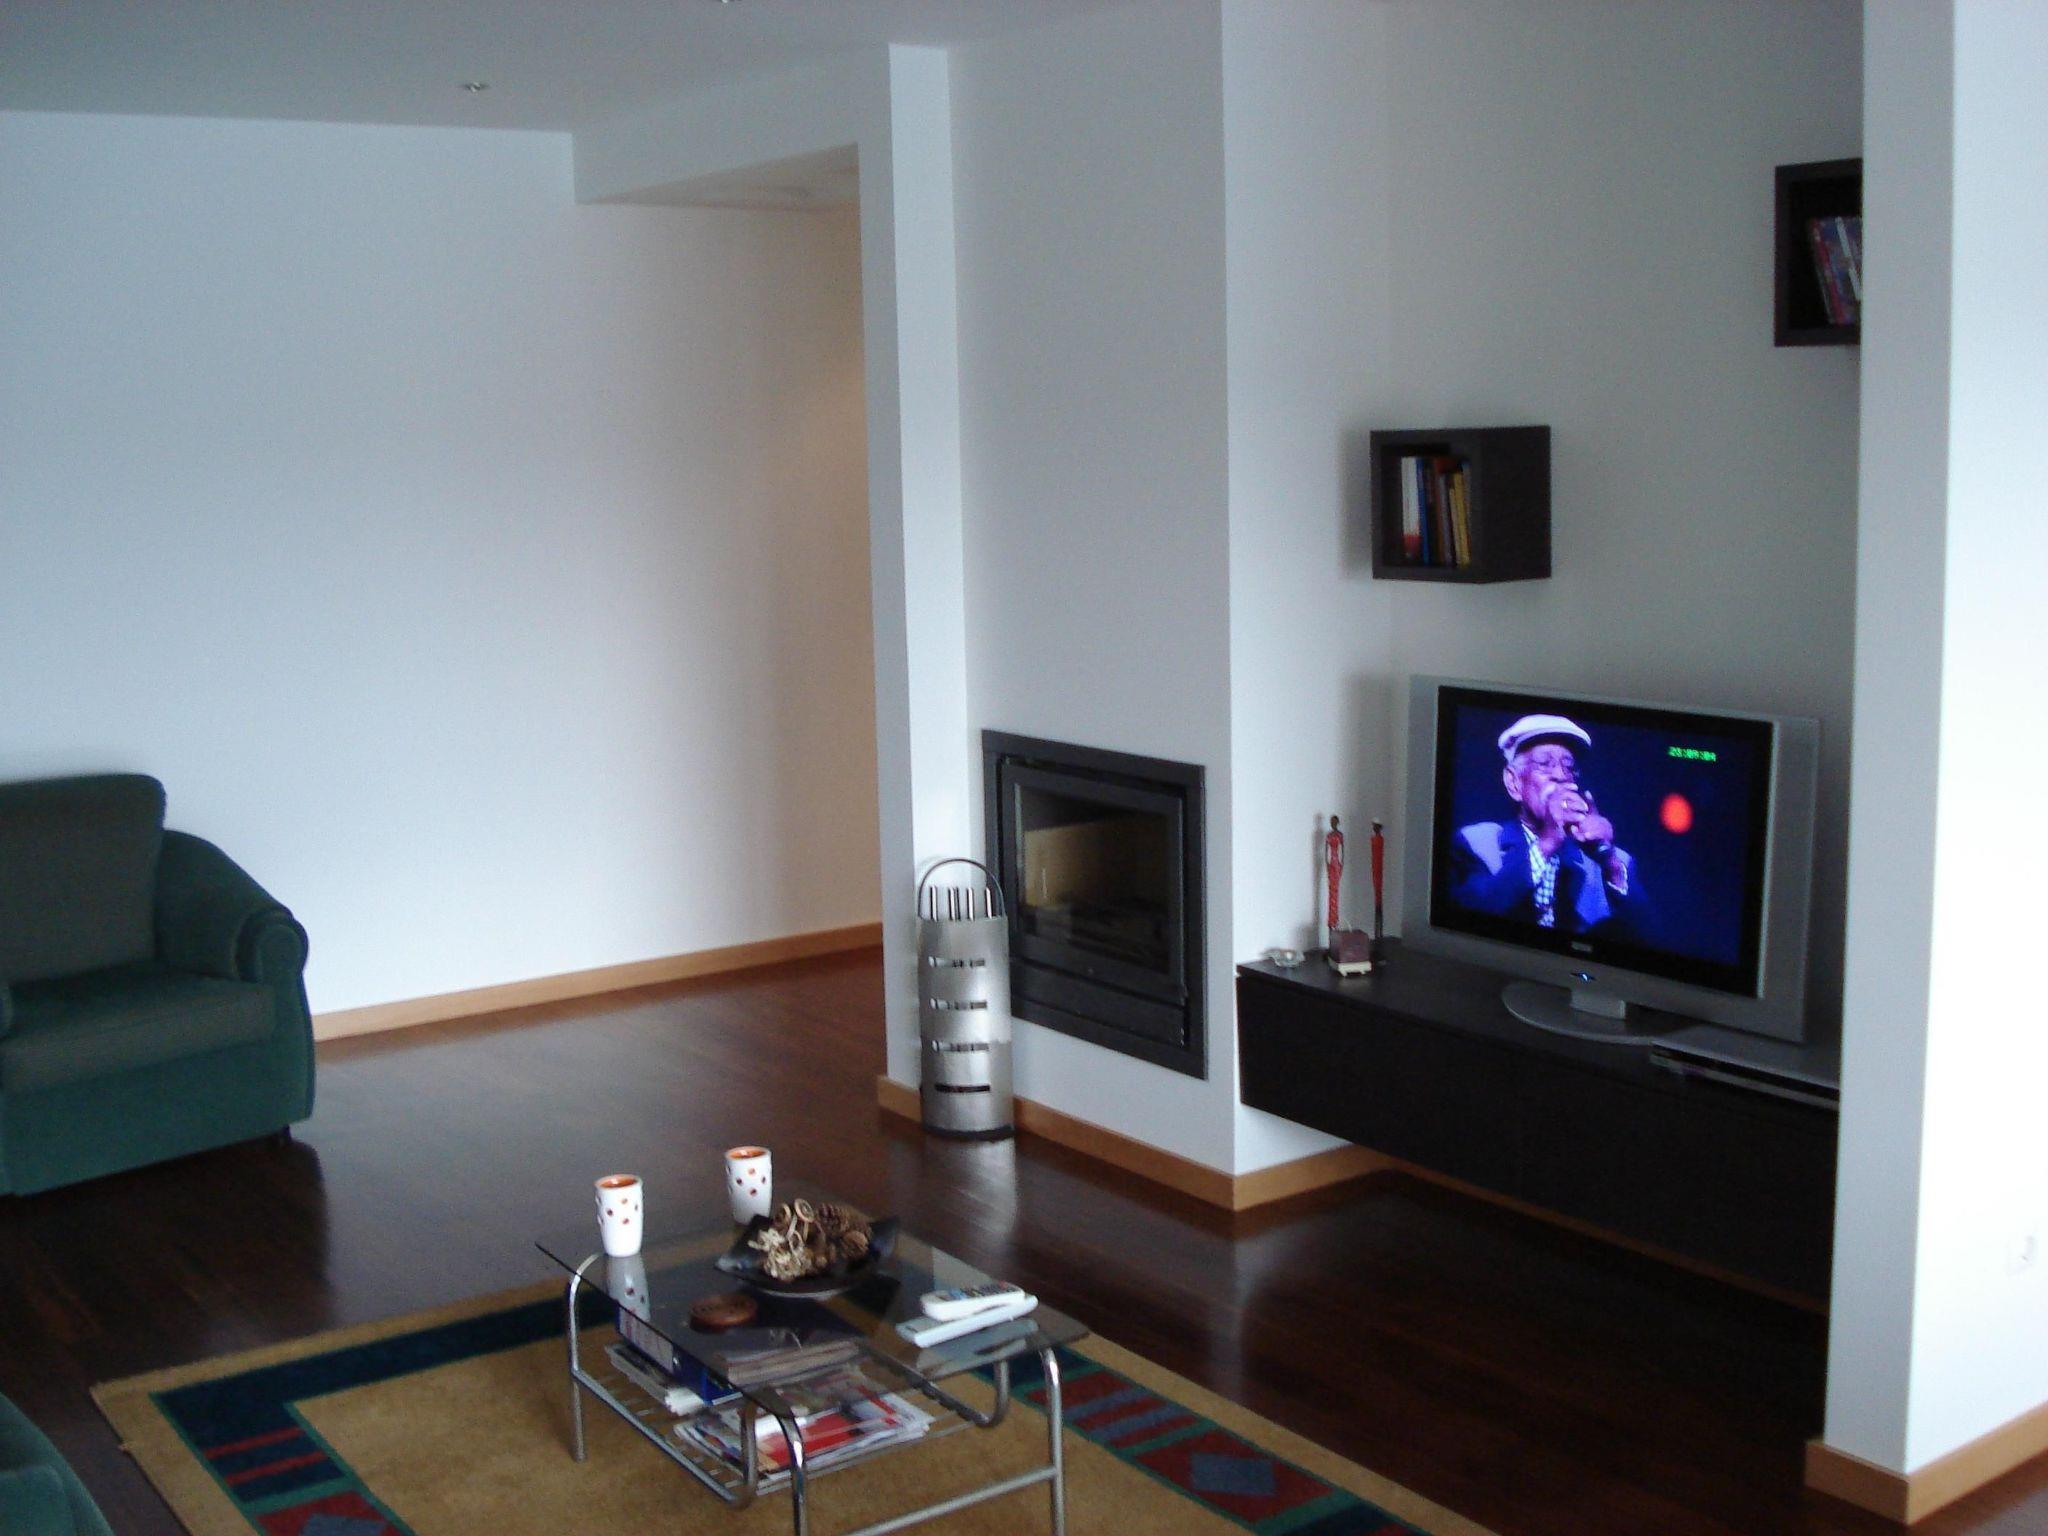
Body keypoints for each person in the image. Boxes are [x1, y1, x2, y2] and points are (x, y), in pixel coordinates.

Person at [1449, 713, 1642, 937]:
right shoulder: (1480, 842)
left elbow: (1647, 940)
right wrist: (1547, 843)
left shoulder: (1610, 859)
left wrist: (1610, 863)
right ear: (1514, 782)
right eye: (1544, 764)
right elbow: (1471, 919)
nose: (1560, 775)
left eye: (1569, 767)